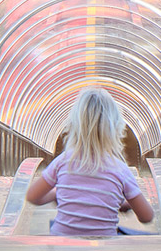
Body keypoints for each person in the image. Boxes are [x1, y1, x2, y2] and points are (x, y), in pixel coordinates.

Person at [27, 89, 153, 238]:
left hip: (62, 244)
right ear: (116, 128)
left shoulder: (63, 162)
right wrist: (121, 203)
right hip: (103, 248)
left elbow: (33, 196)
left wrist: (56, 194)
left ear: (73, 125)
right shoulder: (120, 170)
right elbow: (146, 216)